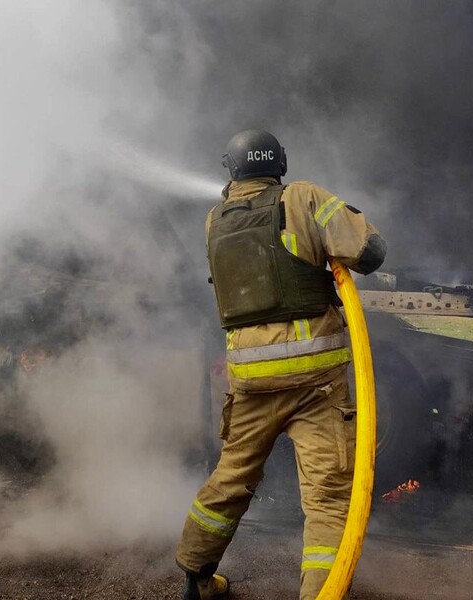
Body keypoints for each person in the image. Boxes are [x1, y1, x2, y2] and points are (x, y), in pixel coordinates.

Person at [176, 129, 386, 600]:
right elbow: (370, 252)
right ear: (280, 163)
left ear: (231, 170)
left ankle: (196, 578)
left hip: (250, 379)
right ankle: (322, 593)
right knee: (329, 497)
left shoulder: (215, 220)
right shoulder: (304, 197)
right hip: (317, 384)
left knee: (231, 476)